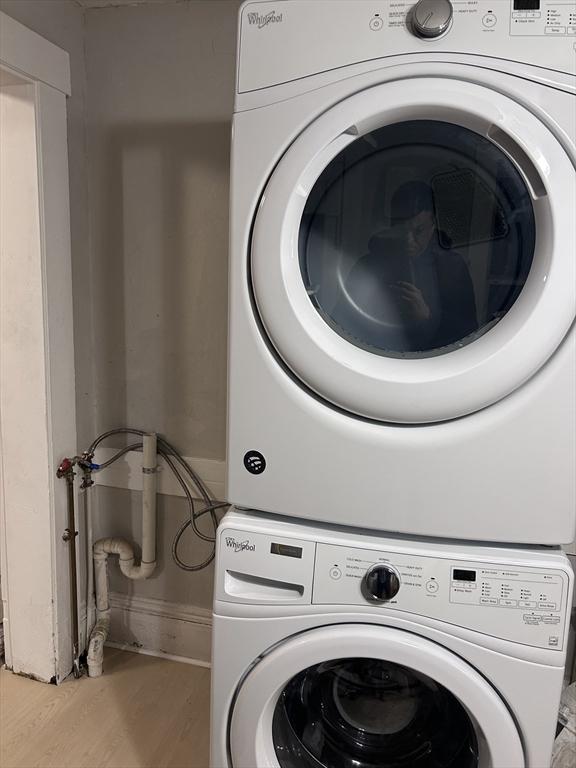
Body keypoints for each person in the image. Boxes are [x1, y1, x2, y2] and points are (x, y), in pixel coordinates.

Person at [334, 180, 478, 354]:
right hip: (376, 357)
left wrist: (426, 317)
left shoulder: (452, 267)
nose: (408, 241)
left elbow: (468, 336)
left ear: (433, 224)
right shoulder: (369, 265)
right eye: (401, 230)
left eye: (419, 231)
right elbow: (341, 323)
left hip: (435, 363)